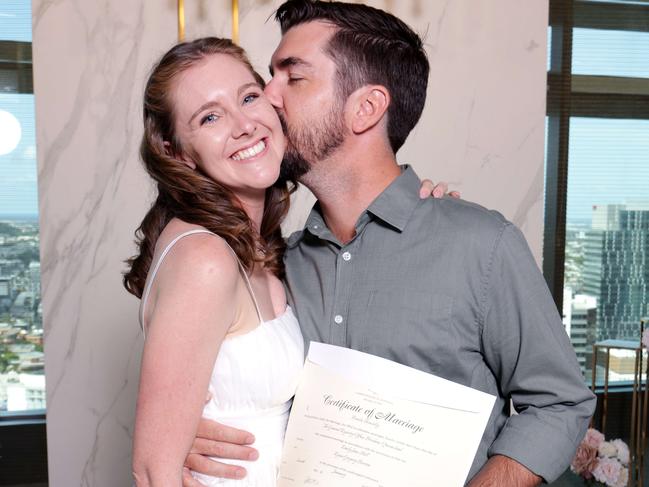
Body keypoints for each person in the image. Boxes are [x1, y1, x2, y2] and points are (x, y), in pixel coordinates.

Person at [183, 1, 596, 486]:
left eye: (292, 78)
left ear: (366, 108)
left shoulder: (480, 245)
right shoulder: (276, 265)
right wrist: (190, 433)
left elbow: (560, 400)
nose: (267, 97)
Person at [125, 36, 443, 486]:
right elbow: (154, 471)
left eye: (249, 97)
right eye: (210, 117)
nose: (244, 125)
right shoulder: (205, 258)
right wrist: (171, 440)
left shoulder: (269, 249)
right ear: (176, 153)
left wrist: (427, 211)